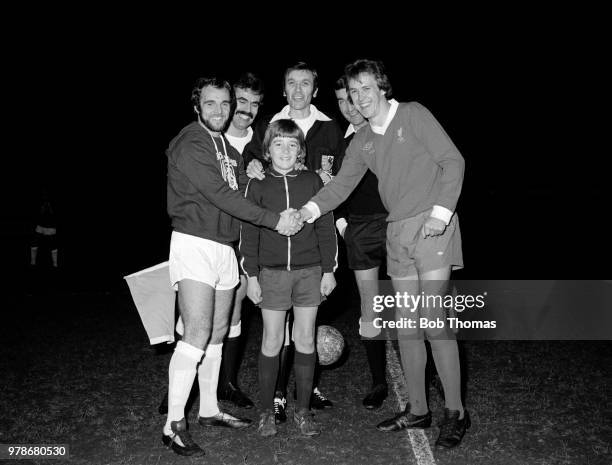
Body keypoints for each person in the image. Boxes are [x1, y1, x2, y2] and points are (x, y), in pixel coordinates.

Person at [299, 59, 469, 448]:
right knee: (406, 325)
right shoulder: (362, 141)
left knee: (433, 319)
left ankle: (456, 411)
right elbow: (340, 187)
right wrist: (306, 212)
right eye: (353, 92)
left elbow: (452, 160)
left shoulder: (413, 114)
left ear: (381, 87)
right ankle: (419, 409)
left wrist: (441, 213)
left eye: (366, 88)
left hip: (431, 225)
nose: (360, 98)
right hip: (397, 232)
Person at [162, 76, 302, 457]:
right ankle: (173, 422)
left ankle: (208, 408)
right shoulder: (191, 141)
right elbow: (221, 195)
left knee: (220, 331)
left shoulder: (226, 147)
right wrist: (275, 220)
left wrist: (254, 176)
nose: (220, 111)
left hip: (226, 248)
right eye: (211, 103)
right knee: (197, 332)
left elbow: (238, 185)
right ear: (197, 106)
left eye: (225, 104)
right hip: (194, 243)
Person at [244, 62, 345, 421]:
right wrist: (251, 275)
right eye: (278, 145)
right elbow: (251, 231)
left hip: (308, 271)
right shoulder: (257, 185)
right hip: (271, 273)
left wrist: (329, 270)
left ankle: (303, 409)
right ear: (267, 148)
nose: (285, 150)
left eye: (292, 145)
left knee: (304, 340)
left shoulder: (312, 182)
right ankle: (269, 410)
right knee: (272, 340)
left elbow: (324, 226)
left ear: (300, 151)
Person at [333, 76, 389, 409]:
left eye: (352, 98)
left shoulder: (385, 133)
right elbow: (333, 190)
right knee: (370, 312)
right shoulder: (341, 146)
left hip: (394, 226)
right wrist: (343, 226)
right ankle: (379, 382)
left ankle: (430, 373)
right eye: (341, 101)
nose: (349, 107)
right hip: (359, 231)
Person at [217, 72, 265, 409]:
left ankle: (227, 383)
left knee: (235, 309)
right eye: (242, 101)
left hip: (245, 238)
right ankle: (183, 382)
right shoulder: (211, 137)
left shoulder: (261, 144)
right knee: (199, 312)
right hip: (210, 236)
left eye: (254, 104)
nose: (246, 109)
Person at [30, 187, 58, 268]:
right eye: (44, 194)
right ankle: (33, 261)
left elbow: (54, 215)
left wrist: (48, 208)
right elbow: (38, 214)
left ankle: (55, 263)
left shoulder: (52, 203)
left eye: (46, 194)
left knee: (53, 245)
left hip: (51, 227)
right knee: (34, 243)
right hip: (40, 225)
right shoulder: (40, 202)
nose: (45, 196)